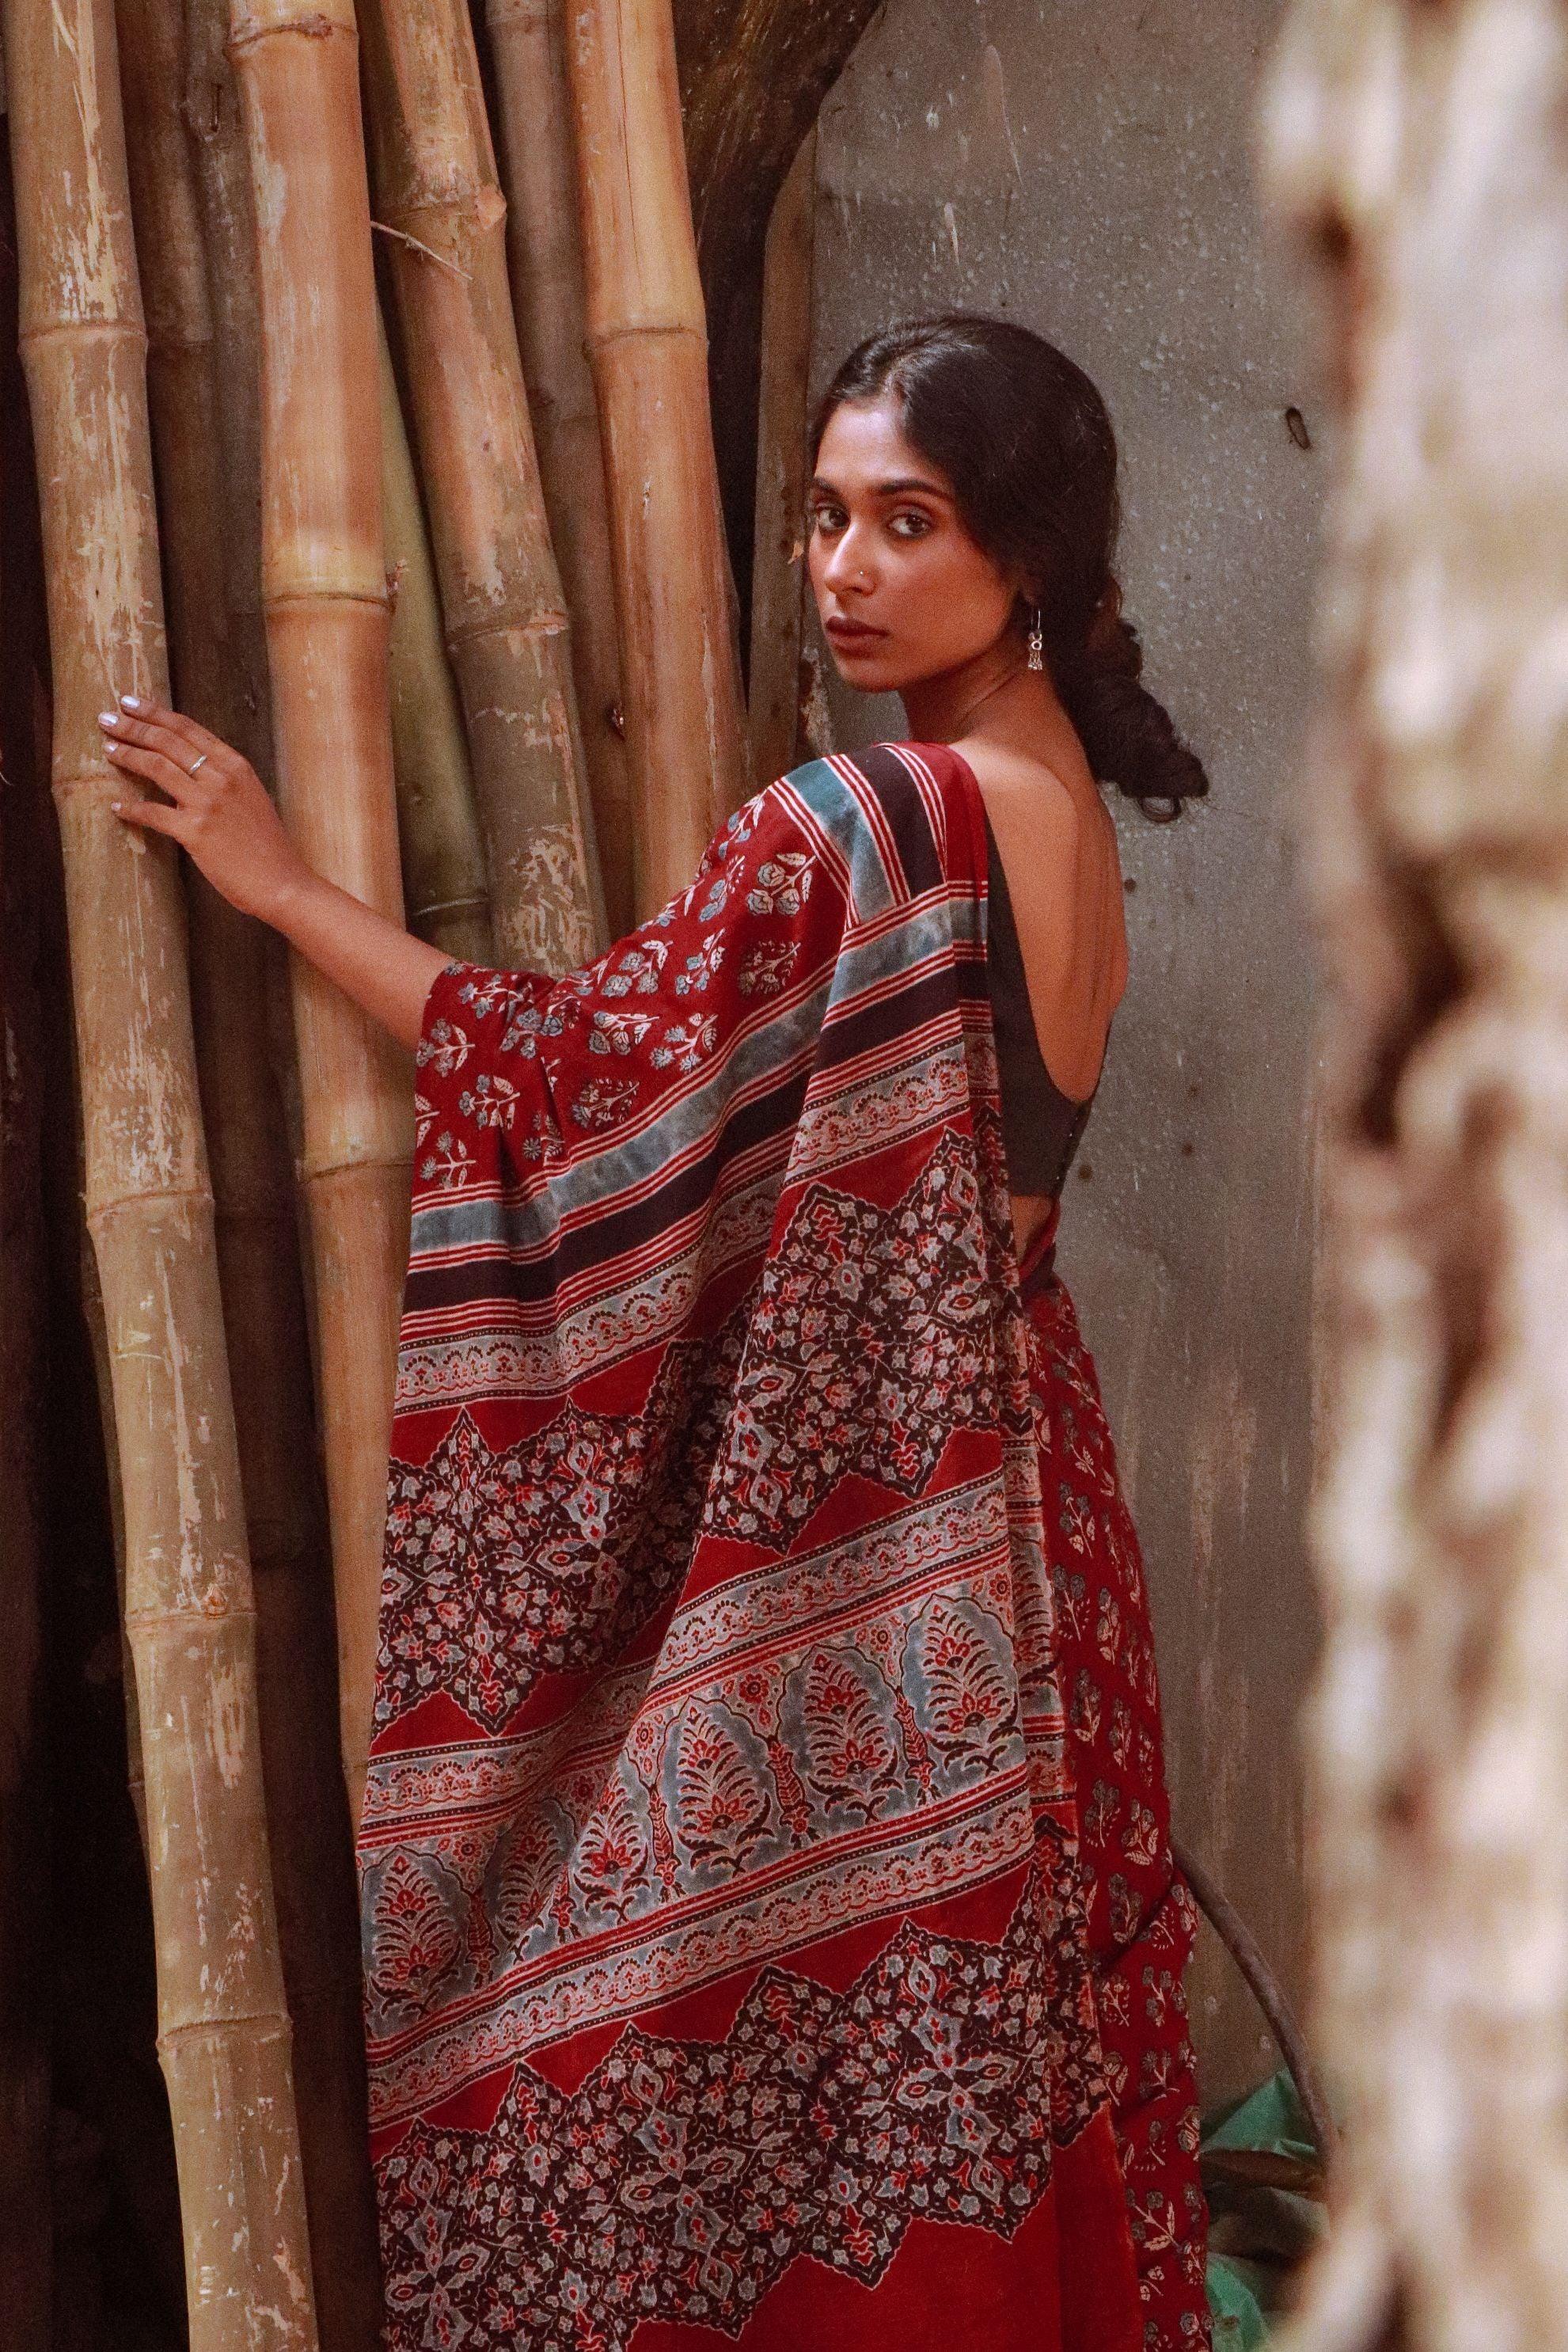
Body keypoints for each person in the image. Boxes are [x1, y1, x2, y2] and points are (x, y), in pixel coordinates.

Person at [101, 312, 1212, 2351]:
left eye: (908, 522)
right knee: (969, 2126)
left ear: (1027, 557)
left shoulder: (871, 827)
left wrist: (275, 887)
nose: (844, 569)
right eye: (823, 519)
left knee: (751, 2136)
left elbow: (579, 1073)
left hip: (882, 1579)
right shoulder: (1060, 812)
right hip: (1033, 1561)